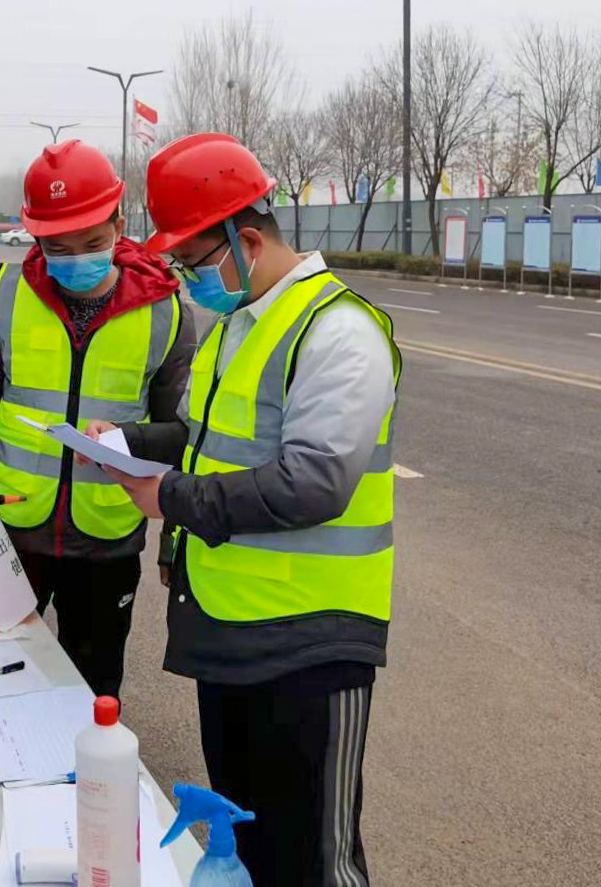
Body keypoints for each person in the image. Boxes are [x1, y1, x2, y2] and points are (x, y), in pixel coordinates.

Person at [89, 134, 401, 886]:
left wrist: (168, 497)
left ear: (246, 239)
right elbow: (204, 439)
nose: (186, 280)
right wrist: (125, 439)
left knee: (316, 862)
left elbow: (312, 482)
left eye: (193, 263)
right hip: (232, 632)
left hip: (311, 648)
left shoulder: (338, 331)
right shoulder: (235, 324)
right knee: (246, 844)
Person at [0, 140, 194, 698]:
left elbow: (184, 439)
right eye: (58, 246)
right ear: (35, 237)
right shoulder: (3, 297)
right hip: (7, 532)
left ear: (120, 223)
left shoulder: (164, 312)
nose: (76, 258)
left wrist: (176, 534)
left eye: (93, 242)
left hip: (107, 543)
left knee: (92, 690)